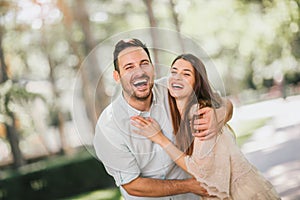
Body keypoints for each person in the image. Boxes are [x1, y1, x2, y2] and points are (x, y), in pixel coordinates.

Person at [93, 39, 233, 199]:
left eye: (144, 63)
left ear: (152, 68)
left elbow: (224, 104)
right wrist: (190, 185)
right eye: (129, 67)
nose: (139, 72)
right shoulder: (108, 127)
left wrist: (219, 116)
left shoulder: (173, 88)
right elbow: (132, 185)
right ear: (117, 77)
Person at [131, 53, 280, 199]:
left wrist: (159, 138)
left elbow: (199, 170)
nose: (177, 77)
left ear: (197, 83)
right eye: (174, 72)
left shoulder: (200, 113)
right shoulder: (180, 110)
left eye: (186, 74)